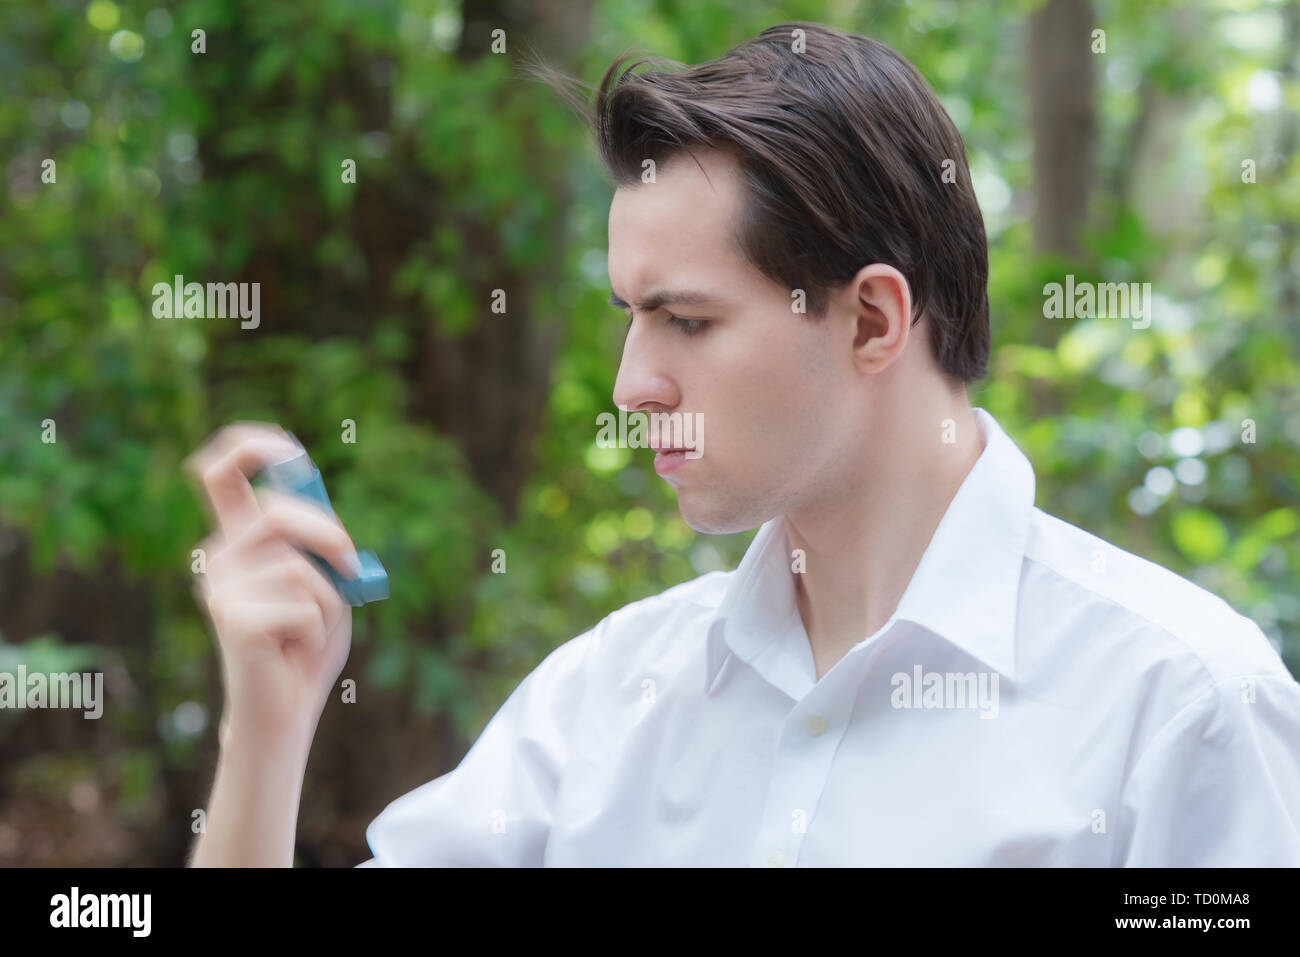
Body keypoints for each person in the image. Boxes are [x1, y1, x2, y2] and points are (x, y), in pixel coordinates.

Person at [186, 22, 1300, 867]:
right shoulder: (603, 702)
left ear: (871, 319)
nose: (631, 386)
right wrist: (270, 733)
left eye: (687, 320)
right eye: (629, 314)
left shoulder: (1178, 708)